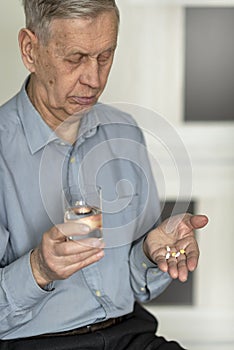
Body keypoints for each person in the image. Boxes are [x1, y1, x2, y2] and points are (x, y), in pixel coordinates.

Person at [0, 1, 208, 349]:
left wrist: (149, 254)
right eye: (75, 58)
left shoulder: (124, 131)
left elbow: (138, 285)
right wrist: (39, 269)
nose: (94, 79)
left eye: (105, 56)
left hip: (132, 335)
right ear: (30, 49)